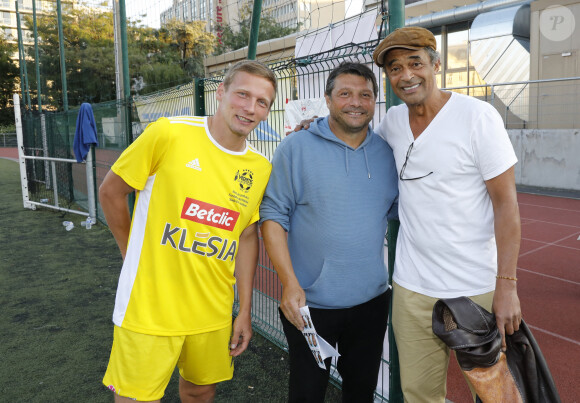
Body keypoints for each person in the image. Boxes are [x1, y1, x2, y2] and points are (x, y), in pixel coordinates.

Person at [99, 60, 277, 403]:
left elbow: (246, 236)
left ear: (268, 111)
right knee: (134, 397)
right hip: (150, 305)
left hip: (212, 311)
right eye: (242, 95)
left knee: (200, 391)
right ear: (221, 92)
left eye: (261, 102)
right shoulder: (169, 132)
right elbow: (110, 192)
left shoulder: (260, 167)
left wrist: (245, 310)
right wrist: (129, 253)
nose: (250, 108)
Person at [372, 27, 522, 402]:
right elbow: (355, 140)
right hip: (412, 286)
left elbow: (506, 204)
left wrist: (507, 286)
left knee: (494, 394)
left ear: (435, 64)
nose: (405, 75)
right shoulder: (391, 123)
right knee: (419, 394)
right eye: (394, 68)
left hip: (474, 286)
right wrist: (314, 127)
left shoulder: (477, 117)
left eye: (415, 63)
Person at [260, 62, 399, 402]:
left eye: (365, 95)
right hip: (309, 307)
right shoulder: (296, 148)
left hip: (371, 303)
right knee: (307, 394)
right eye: (345, 94)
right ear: (328, 98)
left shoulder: (387, 154)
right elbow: (273, 215)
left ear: (375, 101)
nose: (356, 102)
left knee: (360, 392)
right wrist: (289, 283)